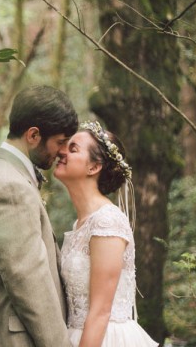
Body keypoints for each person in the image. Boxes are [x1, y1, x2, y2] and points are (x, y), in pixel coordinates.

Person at [0, 85, 78, 347]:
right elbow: (29, 282)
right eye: (60, 142)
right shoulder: (12, 188)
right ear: (33, 135)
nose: (63, 151)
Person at [53, 120, 158, 347]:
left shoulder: (107, 222)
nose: (61, 152)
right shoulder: (80, 223)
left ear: (94, 167)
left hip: (106, 339)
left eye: (73, 149)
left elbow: (101, 311)